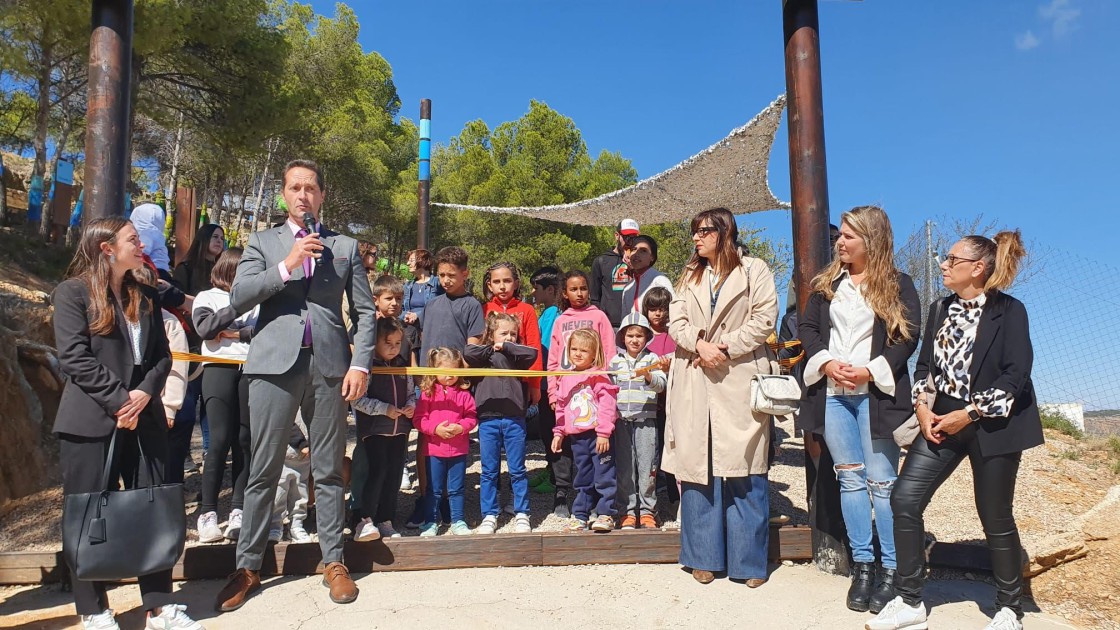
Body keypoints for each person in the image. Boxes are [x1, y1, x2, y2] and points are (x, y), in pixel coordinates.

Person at [215, 159, 376, 612]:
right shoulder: (262, 241)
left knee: (327, 467)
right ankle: (247, 565)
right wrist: (287, 265)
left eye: (310, 188)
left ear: (322, 195)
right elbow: (240, 296)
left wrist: (360, 363)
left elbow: (363, 314)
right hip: (272, 365)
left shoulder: (343, 246)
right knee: (263, 467)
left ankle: (334, 562)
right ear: (283, 195)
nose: (302, 194)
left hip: (329, 367)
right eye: (294, 187)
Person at [868, 231, 1042, 630]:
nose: (943, 265)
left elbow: (1016, 375)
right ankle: (910, 601)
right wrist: (923, 406)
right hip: (941, 421)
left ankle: (1008, 609)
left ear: (977, 268)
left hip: (994, 425)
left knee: (995, 516)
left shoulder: (1010, 311)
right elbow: (926, 365)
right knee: (904, 500)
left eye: (950, 259)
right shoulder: (939, 308)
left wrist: (972, 413)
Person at [52, 217, 204, 630]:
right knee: (87, 514)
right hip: (90, 421)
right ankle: (93, 610)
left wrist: (144, 394)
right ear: (106, 248)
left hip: (145, 418)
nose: (141, 246)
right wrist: (122, 400)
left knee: (149, 510)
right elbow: (74, 358)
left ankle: (159, 605)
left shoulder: (146, 293)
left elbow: (162, 356)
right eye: (133, 240)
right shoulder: (72, 293)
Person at [796, 206, 921, 613]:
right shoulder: (828, 284)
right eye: (841, 235)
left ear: (872, 239)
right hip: (833, 394)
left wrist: (869, 372)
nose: (840, 241)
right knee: (849, 480)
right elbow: (808, 329)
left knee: (883, 483)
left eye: (849, 235)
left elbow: (906, 336)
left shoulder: (899, 284)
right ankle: (863, 566)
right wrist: (828, 363)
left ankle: (891, 569)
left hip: (876, 395)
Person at [663, 207, 778, 587]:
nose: (696, 238)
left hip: (739, 374)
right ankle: (703, 557)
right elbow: (675, 319)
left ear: (724, 232)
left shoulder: (754, 269)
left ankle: (749, 562)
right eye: (694, 231)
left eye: (704, 231)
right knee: (697, 467)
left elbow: (764, 319)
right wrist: (698, 342)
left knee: (746, 465)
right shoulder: (689, 274)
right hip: (695, 374)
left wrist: (723, 348)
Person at [407, 246, 484, 529]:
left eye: (452, 274)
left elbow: (473, 345)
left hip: (456, 387)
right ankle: (427, 501)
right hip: (428, 385)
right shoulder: (432, 304)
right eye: (441, 275)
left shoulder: (472, 305)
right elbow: (426, 340)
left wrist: (462, 379)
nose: (446, 280)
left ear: (465, 273)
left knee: (454, 441)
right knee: (426, 441)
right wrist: (422, 378)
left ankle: (453, 506)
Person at [191, 248, 258, 544]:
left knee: (245, 440)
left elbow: (260, 332)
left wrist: (230, 333)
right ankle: (207, 512)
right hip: (218, 368)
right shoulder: (207, 297)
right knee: (218, 441)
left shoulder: (258, 301)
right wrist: (237, 317)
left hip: (251, 368)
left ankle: (238, 509)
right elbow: (205, 329)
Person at [464, 312, 539, 535]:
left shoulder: (517, 355)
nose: (509, 337)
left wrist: (506, 346)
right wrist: (491, 347)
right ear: (491, 334)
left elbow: (532, 353)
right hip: (488, 419)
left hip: (514, 417)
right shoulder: (483, 355)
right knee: (489, 470)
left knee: (517, 469)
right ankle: (489, 514)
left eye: (513, 334)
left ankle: (522, 512)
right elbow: (468, 352)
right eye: (503, 333)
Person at [350, 274, 410, 528]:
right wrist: (383, 409)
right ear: (375, 300)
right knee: (369, 470)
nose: (394, 303)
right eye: (389, 298)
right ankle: (360, 516)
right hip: (373, 427)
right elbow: (359, 396)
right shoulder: (364, 327)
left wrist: (412, 404)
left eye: (399, 298)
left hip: (398, 426)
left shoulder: (401, 334)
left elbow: (409, 381)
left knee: (392, 471)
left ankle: (386, 518)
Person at [166, 223, 225, 483]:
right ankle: (185, 456)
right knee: (186, 406)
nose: (219, 241)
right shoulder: (185, 269)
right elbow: (177, 304)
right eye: (214, 236)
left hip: (218, 348)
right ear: (203, 239)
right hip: (189, 347)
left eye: (222, 238)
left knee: (211, 410)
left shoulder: (224, 272)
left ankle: (211, 459)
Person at [550, 329, 619, 533]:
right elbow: (561, 407)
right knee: (582, 475)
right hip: (577, 437)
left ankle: (606, 513)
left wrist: (604, 432)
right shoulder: (564, 378)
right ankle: (581, 514)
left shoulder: (599, 376)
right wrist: (559, 432)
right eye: (574, 349)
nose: (578, 353)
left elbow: (608, 404)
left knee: (605, 474)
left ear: (594, 353)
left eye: (584, 350)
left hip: (598, 435)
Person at [609, 312, 667, 529]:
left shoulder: (652, 360)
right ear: (623, 337)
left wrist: (649, 376)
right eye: (630, 335)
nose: (634, 340)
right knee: (624, 468)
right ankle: (626, 511)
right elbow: (608, 390)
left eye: (639, 336)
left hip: (646, 421)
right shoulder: (615, 362)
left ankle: (648, 511)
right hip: (622, 421)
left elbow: (661, 385)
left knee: (648, 467)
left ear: (647, 337)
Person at [415, 347, 477, 536]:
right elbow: (419, 420)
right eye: (445, 371)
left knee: (457, 487)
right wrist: (435, 430)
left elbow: (472, 416)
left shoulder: (464, 394)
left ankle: (458, 520)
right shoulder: (427, 394)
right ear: (434, 370)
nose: (449, 376)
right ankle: (430, 522)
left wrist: (462, 427)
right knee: (433, 488)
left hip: (458, 449)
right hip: (434, 449)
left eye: (454, 372)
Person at [529, 266, 572, 517]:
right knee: (546, 430)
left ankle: (559, 479)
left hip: (552, 383)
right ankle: (550, 469)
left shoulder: (557, 314)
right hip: (543, 382)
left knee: (555, 431)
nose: (533, 293)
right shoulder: (546, 313)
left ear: (551, 290)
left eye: (537, 288)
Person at [546, 270, 614, 402]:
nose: (579, 293)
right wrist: (552, 392)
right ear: (565, 293)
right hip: (566, 387)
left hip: (594, 386)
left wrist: (606, 382)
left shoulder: (599, 316)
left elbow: (609, 352)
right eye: (573, 289)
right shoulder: (561, 321)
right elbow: (553, 359)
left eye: (583, 289)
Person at [643, 287, 679, 511]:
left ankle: (676, 500)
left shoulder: (675, 335)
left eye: (663, 309)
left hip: (671, 404)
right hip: (647, 405)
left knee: (672, 451)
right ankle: (649, 504)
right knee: (650, 455)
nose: (658, 314)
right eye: (653, 309)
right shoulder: (641, 336)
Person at [590, 218, 640, 328]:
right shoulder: (601, 261)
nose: (630, 242)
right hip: (609, 324)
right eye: (627, 237)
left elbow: (643, 289)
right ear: (617, 235)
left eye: (634, 238)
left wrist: (634, 269)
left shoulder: (640, 261)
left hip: (634, 323)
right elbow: (594, 298)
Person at [272, 420, 312, 543]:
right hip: (283, 449)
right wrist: (300, 442)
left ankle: (297, 524)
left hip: (305, 454)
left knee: (300, 493)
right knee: (279, 491)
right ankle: (274, 525)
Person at [402, 248, 443, 364]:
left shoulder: (437, 283)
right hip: (412, 335)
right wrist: (405, 315)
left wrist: (419, 315)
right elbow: (401, 309)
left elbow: (441, 306)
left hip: (431, 332)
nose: (407, 263)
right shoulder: (407, 286)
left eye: (411, 260)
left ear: (422, 260)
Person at [620, 235, 675, 318]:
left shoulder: (659, 280)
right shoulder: (628, 288)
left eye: (643, 251)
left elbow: (673, 311)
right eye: (633, 249)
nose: (636, 253)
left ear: (652, 257)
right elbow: (624, 319)